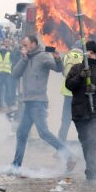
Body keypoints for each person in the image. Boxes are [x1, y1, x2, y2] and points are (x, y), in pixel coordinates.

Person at [10, 35, 75, 170]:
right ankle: (16, 166)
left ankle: (69, 155)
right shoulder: (25, 58)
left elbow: (58, 69)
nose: (23, 48)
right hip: (28, 102)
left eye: (26, 45)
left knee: (44, 133)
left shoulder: (43, 56)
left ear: (34, 44)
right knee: (21, 133)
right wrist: (23, 59)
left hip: (38, 102)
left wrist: (57, 58)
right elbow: (15, 74)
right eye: (23, 45)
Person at [65, 40, 96, 181]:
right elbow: (69, 85)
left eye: (92, 53)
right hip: (79, 111)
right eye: (87, 52)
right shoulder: (76, 68)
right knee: (84, 140)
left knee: (92, 138)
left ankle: (91, 167)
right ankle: (90, 163)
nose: (89, 55)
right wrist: (80, 76)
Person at [58, 41, 84, 142]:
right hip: (79, 94)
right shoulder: (84, 58)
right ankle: (84, 147)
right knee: (81, 120)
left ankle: (60, 145)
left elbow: (63, 71)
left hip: (68, 93)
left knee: (65, 120)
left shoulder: (67, 56)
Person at [0, 41, 13, 110]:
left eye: (4, 45)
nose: (3, 46)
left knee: (8, 89)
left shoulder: (9, 53)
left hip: (7, 74)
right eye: (1, 45)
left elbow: (14, 58)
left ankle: (9, 104)